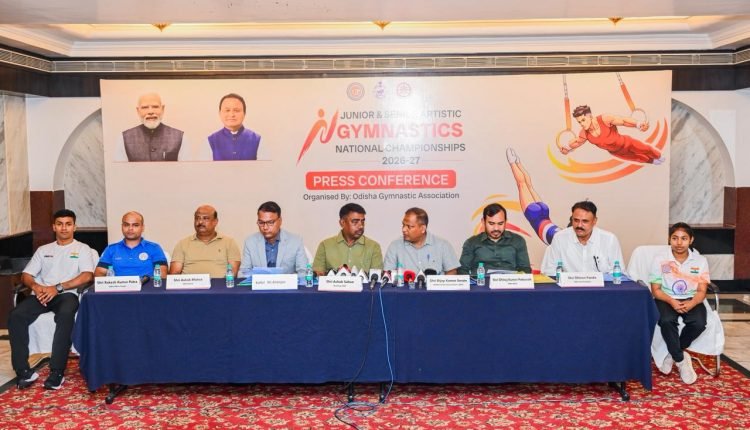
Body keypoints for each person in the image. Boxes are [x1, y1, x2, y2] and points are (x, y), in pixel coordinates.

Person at [8, 209, 95, 390]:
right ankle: (23, 371)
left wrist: (58, 288)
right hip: (41, 295)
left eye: (68, 224)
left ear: (74, 227)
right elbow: (26, 275)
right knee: (16, 316)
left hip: (67, 294)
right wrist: (35, 287)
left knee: (65, 316)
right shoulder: (44, 250)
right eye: (60, 224)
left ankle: (57, 372)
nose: (64, 228)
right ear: (54, 227)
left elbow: (87, 275)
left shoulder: (82, 249)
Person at [650, 222, 710, 384]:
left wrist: (692, 303)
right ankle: (681, 361)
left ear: (691, 240)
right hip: (666, 297)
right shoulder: (660, 259)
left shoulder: (700, 261)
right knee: (666, 320)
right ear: (669, 239)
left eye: (684, 238)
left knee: (699, 323)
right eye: (675, 238)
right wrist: (671, 301)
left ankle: (673, 354)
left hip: (692, 298)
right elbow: (655, 290)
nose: (679, 243)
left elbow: (701, 291)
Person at [540, 200, 624, 276]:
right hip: (569, 287)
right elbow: (550, 271)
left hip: (602, 287)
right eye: (576, 220)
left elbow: (619, 272)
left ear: (594, 221)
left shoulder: (609, 239)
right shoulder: (560, 238)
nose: (579, 225)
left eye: (585, 221)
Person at [561, 105, 664, 164]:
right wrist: (567, 148)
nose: (582, 124)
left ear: (590, 116)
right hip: (617, 152)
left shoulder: (604, 119)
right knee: (640, 159)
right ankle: (652, 161)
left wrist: (638, 124)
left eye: (583, 120)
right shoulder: (584, 133)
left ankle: (658, 156)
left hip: (628, 143)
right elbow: (577, 142)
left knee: (647, 149)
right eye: (579, 122)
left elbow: (623, 121)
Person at [506, 147, 561, 245]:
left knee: (529, 187)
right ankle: (513, 162)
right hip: (536, 216)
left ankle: (517, 162)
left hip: (546, 216)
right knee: (522, 185)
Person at [169, 205, 241, 278]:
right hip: (189, 284)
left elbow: (233, 273)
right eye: (197, 218)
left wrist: (220, 285)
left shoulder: (229, 243)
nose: (200, 222)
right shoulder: (182, 244)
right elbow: (174, 274)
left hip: (219, 284)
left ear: (215, 221)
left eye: (205, 218)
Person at [240, 201, 308, 278]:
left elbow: (304, 272)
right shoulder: (250, 242)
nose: (265, 227)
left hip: (287, 285)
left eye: (270, 222)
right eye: (261, 222)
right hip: (260, 285)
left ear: (280, 221)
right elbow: (243, 272)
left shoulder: (295, 241)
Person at [458, 203, 531, 274]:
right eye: (491, 223)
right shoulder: (471, 243)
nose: (496, 228)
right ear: (483, 222)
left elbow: (525, 269)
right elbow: (462, 270)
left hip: (509, 281)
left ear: (506, 222)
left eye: (500, 223)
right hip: (481, 281)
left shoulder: (518, 240)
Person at [312, 203, 383, 275]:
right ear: (342, 222)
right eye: (355, 222)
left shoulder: (373, 247)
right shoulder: (325, 245)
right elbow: (317, 276)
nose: (361, 226)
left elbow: (377, 278)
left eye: (362, 221)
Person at [384, 207, 459, 275]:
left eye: (409, 226)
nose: (404, 229)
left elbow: (452, 272)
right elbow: (387, 274)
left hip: (436, 286)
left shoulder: (443, 245)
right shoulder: (395, 246)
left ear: (423, 229)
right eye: (403, 225)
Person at [95, 211, 168, 278]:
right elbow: (99, 274)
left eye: (135, 225)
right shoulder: (111, 249)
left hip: (146, 287)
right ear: (122, 227)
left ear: (142, 228)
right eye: (126, 225)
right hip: (119, 287)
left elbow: (162, 275)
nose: (130, 228)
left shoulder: (154, 248)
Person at [122, 93, 184, 161]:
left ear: (162, 109)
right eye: (145, 107)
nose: (150, 112)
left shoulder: (181, 137)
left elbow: (186, 167)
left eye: (155, 107)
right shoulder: (124, 138)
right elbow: (118, 167)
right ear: (138, 111)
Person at [208, 93, 261, 161]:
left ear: (244, 113)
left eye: (236, 110)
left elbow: (265, 166)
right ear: (220, 113)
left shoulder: (258, 140)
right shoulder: (210, 141)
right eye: (227, 110)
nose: (232, 114)